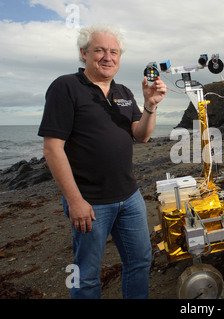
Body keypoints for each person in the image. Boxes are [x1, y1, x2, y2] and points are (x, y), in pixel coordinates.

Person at [38, 24, 167, 299]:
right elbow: (52, 149)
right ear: (84, 53)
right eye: (100, 50)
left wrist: (151, 105)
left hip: (129, 197)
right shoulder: (66, 87)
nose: (108, 57)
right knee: (86, 276)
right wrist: (75, 201)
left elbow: (141, 136)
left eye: (114, 52)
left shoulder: (123, 92)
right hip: (90, 202)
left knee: (140, 262)